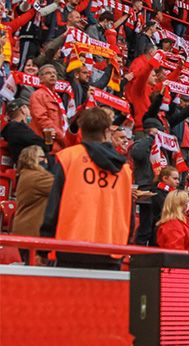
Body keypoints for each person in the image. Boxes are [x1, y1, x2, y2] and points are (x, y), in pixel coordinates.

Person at [40, 107, 133, 268]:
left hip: (72, 245)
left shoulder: (68, 157)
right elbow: (129, 214)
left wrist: (44, 247)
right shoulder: (124, 169)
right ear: (107, 132)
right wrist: (126, 244)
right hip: (111, 248)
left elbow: (54, 205)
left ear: (81, 131)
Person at [10, 146, 54, 238]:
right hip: (31, 231)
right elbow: (61, 186)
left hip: (25, 228)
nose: (45, 160)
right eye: (42, 157)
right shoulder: (36, 178)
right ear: (32, 159)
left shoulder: (26, 174)